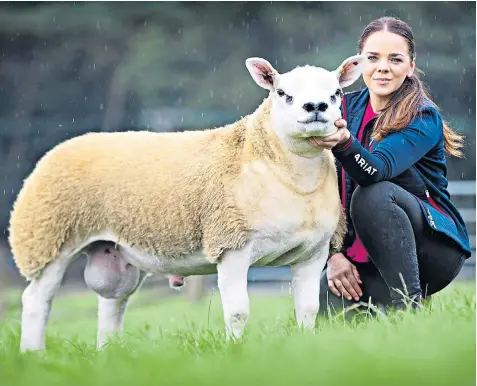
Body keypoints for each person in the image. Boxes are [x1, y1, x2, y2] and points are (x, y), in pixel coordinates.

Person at [309, 16, 472, 315]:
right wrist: (334, 255)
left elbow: (375, 170)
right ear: (359, 64)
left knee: (375, 193)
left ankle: (410, 310)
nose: (382, 67)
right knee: (330, 318)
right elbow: (316, 188)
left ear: (410, 66)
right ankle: (380, 302)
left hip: (432, 250)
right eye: (373, 58)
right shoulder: (342, 107)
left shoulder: (424, 117)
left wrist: (344, 143)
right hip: (360, 255)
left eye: (395, 59)